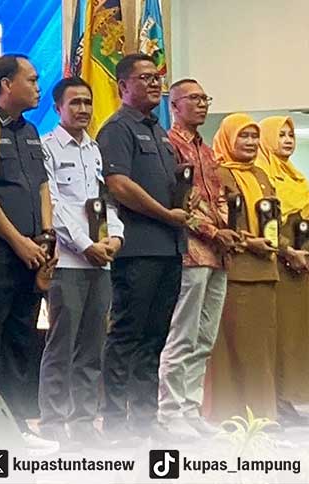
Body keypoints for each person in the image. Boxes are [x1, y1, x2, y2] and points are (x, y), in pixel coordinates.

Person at [98, 54, 188, 441]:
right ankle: (116, 423)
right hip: (136, 249)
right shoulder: (117, 128)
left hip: (169, 248)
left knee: (155, 339)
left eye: (157, 78)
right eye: (145, 78)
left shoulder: (159, 131)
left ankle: (145, 420)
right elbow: (117, 185)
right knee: (126, 335)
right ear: (123, 86)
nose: (154, 84)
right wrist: (166, 214)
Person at [38, 77, 123, 449]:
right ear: (58, 107)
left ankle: (85, 424)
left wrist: (115, 237)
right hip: (68, 262)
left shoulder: (95, 149)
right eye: (75, 103)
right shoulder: (47, 147)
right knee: (61, 345)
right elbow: (53, 205)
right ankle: (54, 424)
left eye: (87, 102)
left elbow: (105, 202)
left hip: (100, 262)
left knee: (92, 348)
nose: (84, 109)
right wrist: (86, 245)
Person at [157, 79, 241, 440]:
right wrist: (212, 231)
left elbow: (217, 200)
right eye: (193, 98)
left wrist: (229, 231)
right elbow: (179, 205)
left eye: (205, 98)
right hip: (190, 252)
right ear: (174, 106)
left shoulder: (207, 152)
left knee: (205, 338)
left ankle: (190, 410)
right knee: (183, 335)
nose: (202, 104)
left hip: (218, 256)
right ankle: (169, 412)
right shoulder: (168, 146)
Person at [0, 54, 52, 432]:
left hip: (34, 252)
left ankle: (19, 423)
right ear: (6, 84)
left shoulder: (31, 131)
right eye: (32, 80)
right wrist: (17, 240)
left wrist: (46, 237)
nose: (38, 88)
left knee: (23, 336)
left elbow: (41, 186)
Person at [204, 113, 279, 423]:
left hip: (266, 270)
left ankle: (262, 415)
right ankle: (231, 416)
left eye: (254, 136)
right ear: (227, 139)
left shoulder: (262, 174)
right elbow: (219, 221)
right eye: (243, 136)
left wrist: (279, 247)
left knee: (262, 349)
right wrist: (250, 243)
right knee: (233, 347)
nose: (250, 142)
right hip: (235, 269)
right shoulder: (218, 173)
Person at [257, 115, 309, 427]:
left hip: (300, 267)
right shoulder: (261, 175)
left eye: (291, 135)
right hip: (275, 262)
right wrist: (288, 250)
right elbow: (265, 223)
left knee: (295, 334)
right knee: (275, 332)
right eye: (281, 135)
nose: (288, 140)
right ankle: (274, 398)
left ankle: (290, 395)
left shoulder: (297, 177)